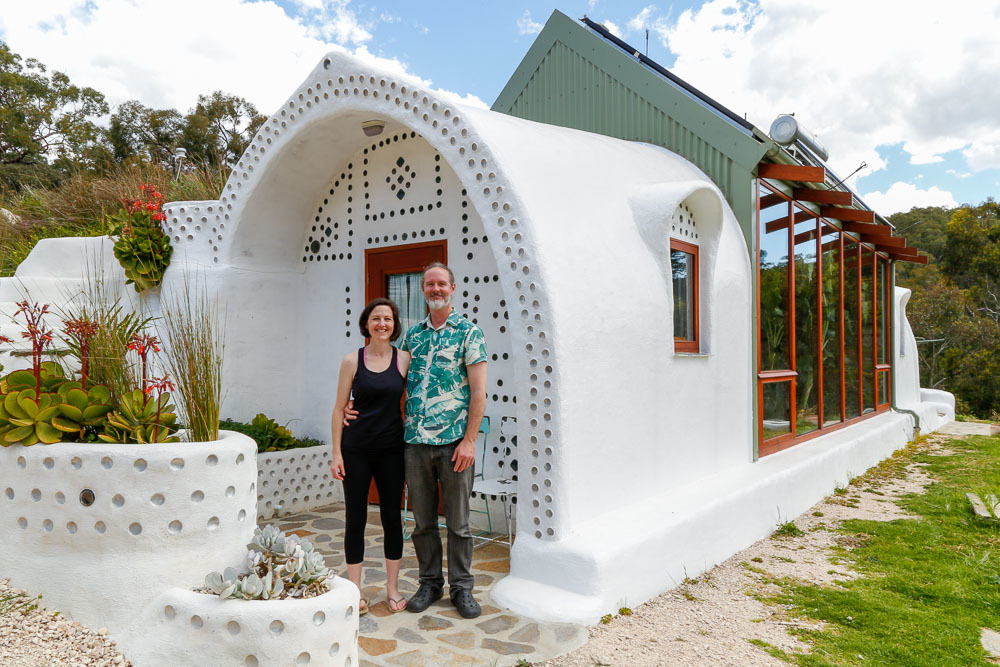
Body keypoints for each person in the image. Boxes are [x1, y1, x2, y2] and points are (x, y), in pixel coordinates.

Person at [398, 262, 488, 619]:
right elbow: (395, 381)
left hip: (454, 444)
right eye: (429, 285)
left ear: (452, 288)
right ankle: (430, 583)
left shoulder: (469, 333)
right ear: (423, 290)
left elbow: (479, 392)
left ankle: (462, 589)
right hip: (416, 443)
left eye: (441, 284)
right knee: (422, 522)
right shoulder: (412, 336)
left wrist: (469, 441)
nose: (435, 289)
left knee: (459, 524)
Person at [330, 298, 410, 614]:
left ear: (394, 325)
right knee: (356, 519)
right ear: (366, 323)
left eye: (387, 319)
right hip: (356, 449)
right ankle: (356, 591)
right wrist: (336, 453)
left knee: (392, 519)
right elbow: (339, 408)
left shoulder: (404, 359)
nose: (382, 324)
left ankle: (392, 589)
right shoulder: (352, 361)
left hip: (392, 450)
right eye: (376, 318)